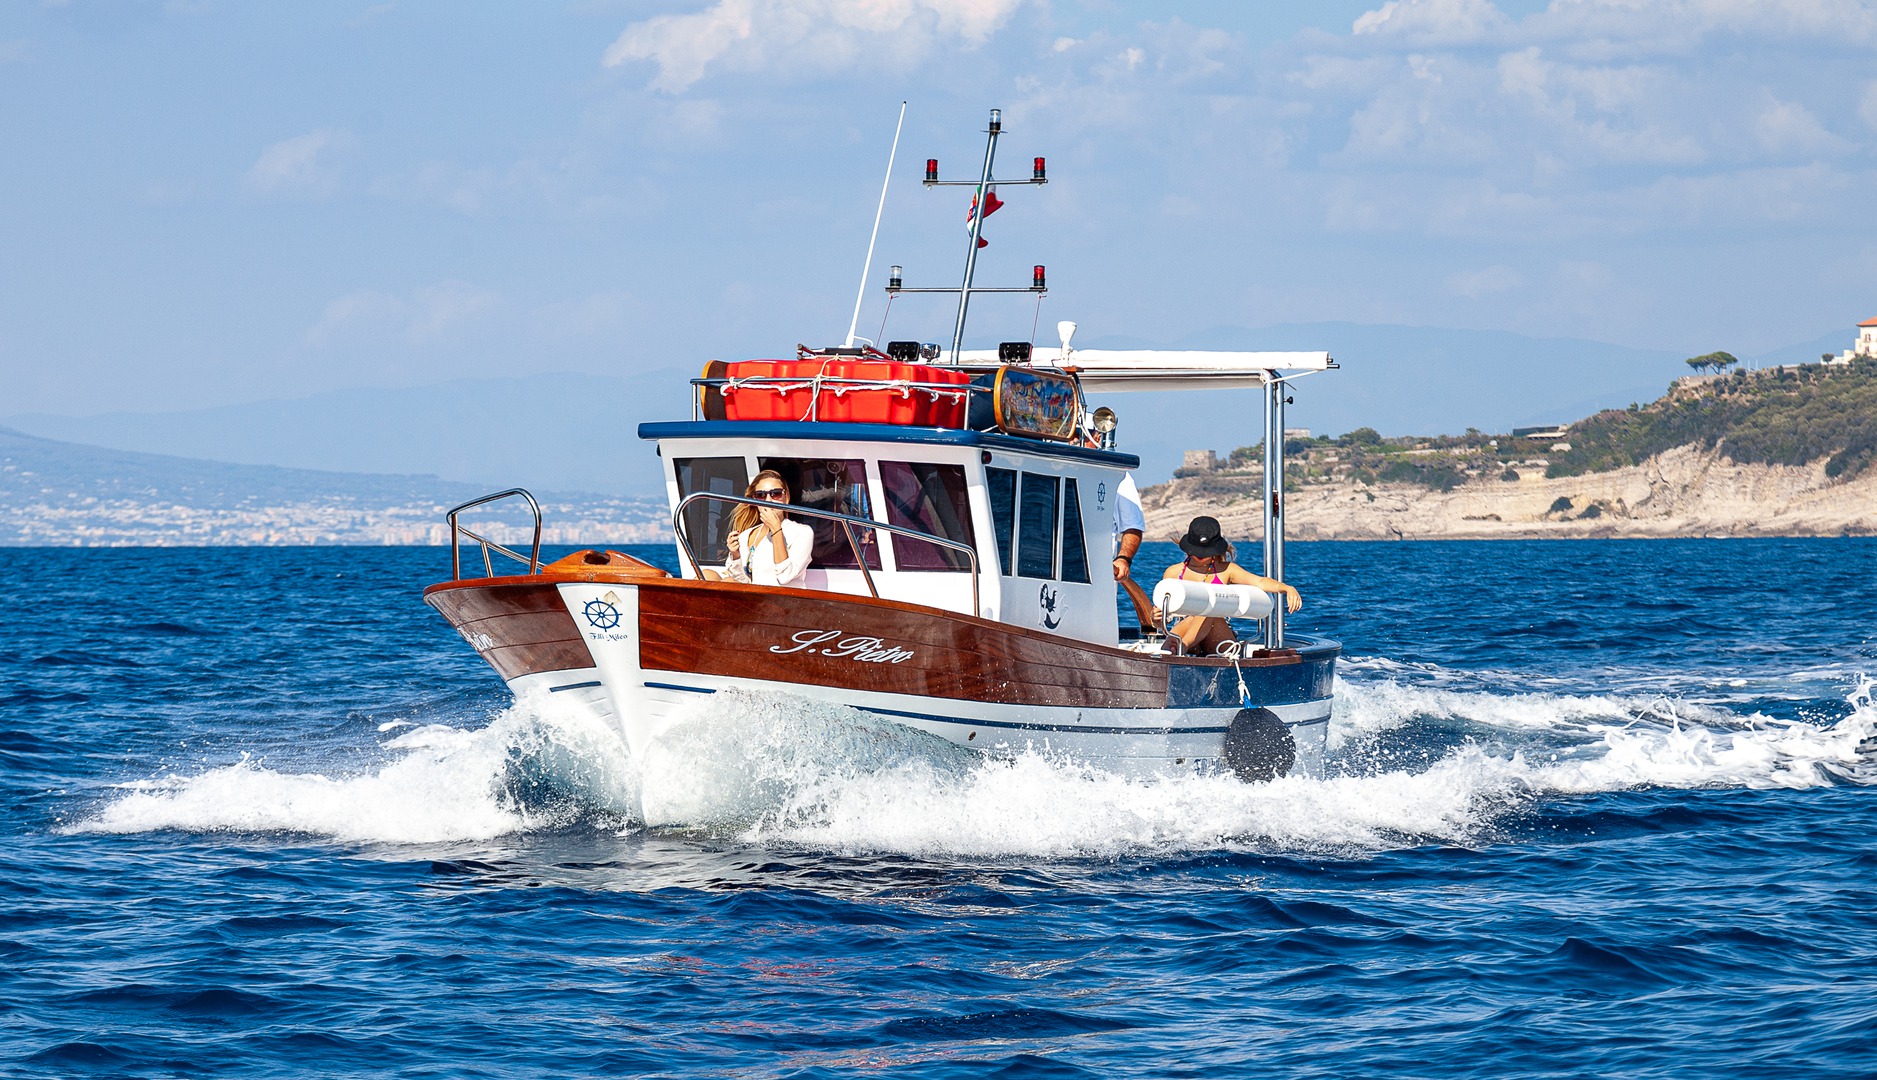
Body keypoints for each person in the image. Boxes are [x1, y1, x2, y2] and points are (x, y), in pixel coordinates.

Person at [1158, 515, 1302, 656]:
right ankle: (1171, 651)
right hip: (1185, 629)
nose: (1200, 555)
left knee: (1211, 606)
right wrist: (1156, 619)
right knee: (1182, 629)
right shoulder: (1173, 572)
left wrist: (1286, 588)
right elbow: (1162, 622)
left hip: (1218, 640)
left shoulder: (1227, 570)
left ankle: (1182, 647)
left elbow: (1259, 581)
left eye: (1205, 551)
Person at [721, 470, 814, 588]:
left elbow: (785, 577)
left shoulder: (802, 532)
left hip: (782, 597)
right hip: (754, 596)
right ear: (754, 500)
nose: (769, 500)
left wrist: (776, 530)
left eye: (776, 494)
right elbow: (743, 582)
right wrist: (735, 556)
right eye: (761, 495)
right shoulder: (746, 535)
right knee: (707, 574)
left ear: (786, 498)